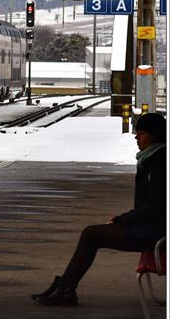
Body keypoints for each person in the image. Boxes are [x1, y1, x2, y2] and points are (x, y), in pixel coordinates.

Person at [32, 111, 166, 307]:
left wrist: (122, 219)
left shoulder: (160, 162)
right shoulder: (154, 158)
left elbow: (154, 207)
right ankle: (64, 286)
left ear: (153, 135)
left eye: (141, 133)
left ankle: (66, 289)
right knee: (92, 234)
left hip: (156, 231)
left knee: (91, 235)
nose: (136, 137)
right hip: (154, 226)